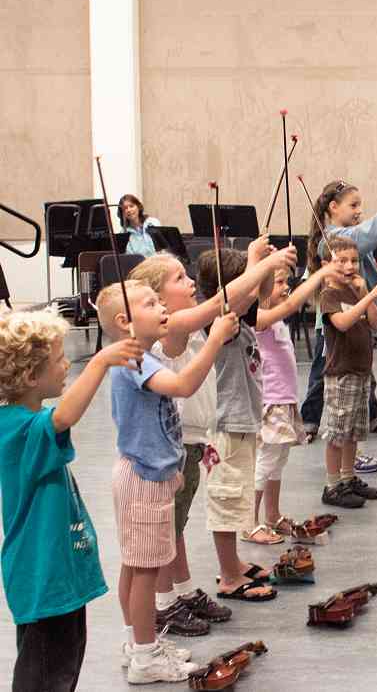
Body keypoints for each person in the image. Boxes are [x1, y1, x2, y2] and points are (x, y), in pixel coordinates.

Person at [129, 240, 294, 634]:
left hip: (188, 444)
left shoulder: (194, 323)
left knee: (177, 526)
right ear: (156, 299)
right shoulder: (169, 328)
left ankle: (183, 591)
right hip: (169, 448)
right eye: (179, 279)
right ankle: (165, 602)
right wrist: (262, 265)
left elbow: (233, 302)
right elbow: (221, 303)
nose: (190, 282)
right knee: (166, 531)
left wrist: (256, 262)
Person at [97, 280, 238, 683]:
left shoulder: (143, 355)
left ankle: (137, 642)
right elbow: (182, 386)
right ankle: (145, 657)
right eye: (150, 303)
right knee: (144, 571)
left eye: (160, 301)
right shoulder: (134, 361)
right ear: (125, 322)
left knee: (135, 565)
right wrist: (215, 341)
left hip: (145, 475)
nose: (162, 307)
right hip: (143, 478)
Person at [0, 310, 141, 691]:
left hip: (58, 575)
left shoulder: (27, 421)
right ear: (30, 377)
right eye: (60, 360)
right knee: (45, 675)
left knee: (61, 668)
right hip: (42, 575)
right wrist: (100, 361)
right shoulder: (14, 429)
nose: (67, 366)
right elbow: (64, 417)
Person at [197, 248, 296, 603]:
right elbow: (238, 295)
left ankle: (234, 563)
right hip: (227, 427)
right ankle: (228, 576)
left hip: (243, 424)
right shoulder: (220, 325)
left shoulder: (243, 321)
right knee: (226, 504)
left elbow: (257, 293)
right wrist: (259, 263)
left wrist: (272, 265)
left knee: (236, 500)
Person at [303, 179, 377, 437]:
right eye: (353, 205)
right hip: (334, 322)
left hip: (359, 319)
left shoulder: (350, 237)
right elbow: (362, 237)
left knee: (363, 367)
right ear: (333, 207)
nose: (358, 210)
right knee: (322, 372)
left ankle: (372, 414)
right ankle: (309, 420)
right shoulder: (332, 239)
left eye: (360, 205)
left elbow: (362, 244)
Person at [248, 261, 345, 542]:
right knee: (265, 462)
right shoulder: (258, 318)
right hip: (271, 402)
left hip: (285, 400)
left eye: (285, 282)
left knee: (278, 460)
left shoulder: (276, 319)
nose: (285, 287)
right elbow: (290, 305)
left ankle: (272, 515)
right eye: (278, 282)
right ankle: (249, 521)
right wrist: (320, 276)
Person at [318, 236, 377, 508]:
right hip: (341, 373)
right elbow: (343, 323)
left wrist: (364, 295)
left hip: (361, 372)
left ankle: (348, 478)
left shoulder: (356, 291)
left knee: (353, 433)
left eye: (354, 260)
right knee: (337, 433)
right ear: (326, 265)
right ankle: (332, 484)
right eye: (342, 261)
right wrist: (370, 295)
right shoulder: (329, 295)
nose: (350, 266)